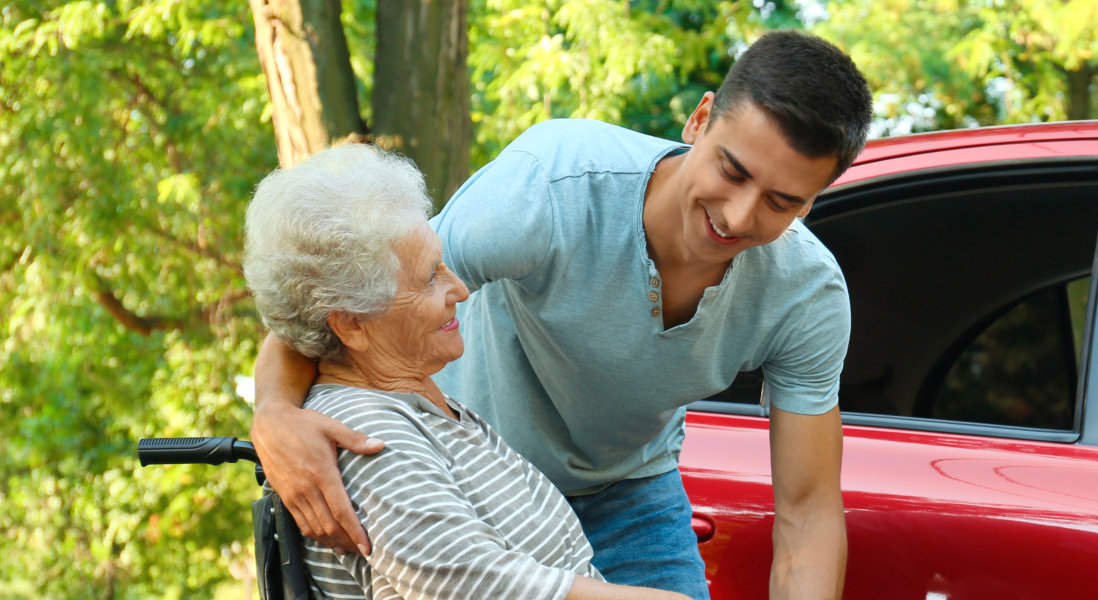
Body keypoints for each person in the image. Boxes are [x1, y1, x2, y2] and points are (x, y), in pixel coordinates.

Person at [249, 30, 872, 599]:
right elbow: (351, 303)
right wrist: (274, 413)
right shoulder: (547, 190)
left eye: (781, 202)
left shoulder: (806, 296)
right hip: (471, 478)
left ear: (814, 200)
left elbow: (809, 510)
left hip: (629, 495)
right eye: (732, 172)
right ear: (700, 119)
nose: (738, 216)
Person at [242, 144, 691, 600]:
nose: (459, 288)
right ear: (353, 324)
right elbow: (478, 586)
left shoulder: (418, 400)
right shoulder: (366, 433)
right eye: (429, 278)